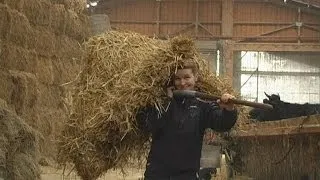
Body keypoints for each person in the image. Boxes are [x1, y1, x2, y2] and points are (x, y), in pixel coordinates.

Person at [136, 60, 238, 180]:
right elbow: (149, 125)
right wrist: (168, 101)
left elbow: (221, 124)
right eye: (178, 79)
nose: (182, 83)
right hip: (157, 172)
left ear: (195, 77)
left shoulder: (202, 104)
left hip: (186, 174)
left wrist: (229, 110)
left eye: (187, 77)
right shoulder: (160, 103)